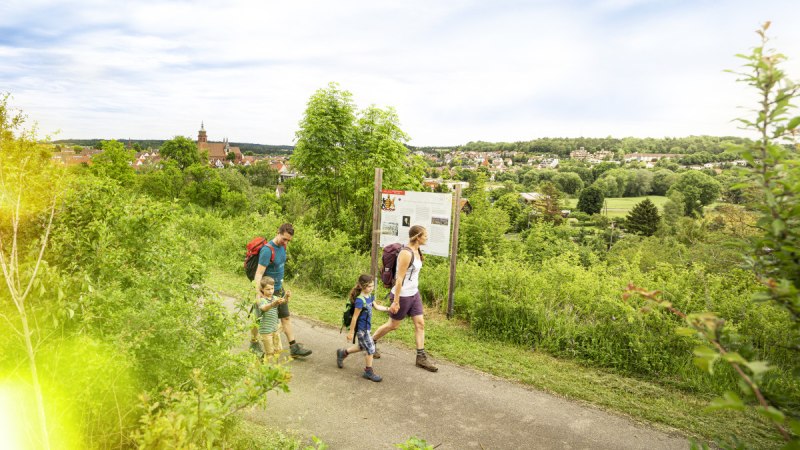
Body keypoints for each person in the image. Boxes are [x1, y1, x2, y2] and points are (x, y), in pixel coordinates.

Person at [371, 225, 438, 372]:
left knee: (420, 324)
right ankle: (371, 341)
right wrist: (395, 301)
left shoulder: (417, 250)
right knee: (393, 325)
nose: (427, 237)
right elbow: (399, 278)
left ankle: (421, 357)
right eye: (425, 235)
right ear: (417, 237)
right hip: (402, 295)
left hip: (414, 294)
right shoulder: (406, 253)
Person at [251, 223, 312, 357]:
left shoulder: (283, 246)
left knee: (285, 316)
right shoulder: (267, 250)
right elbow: (258, 274)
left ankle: (294, 347)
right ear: (278, 232)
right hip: (265, 290)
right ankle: (254, 342)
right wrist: (258, 294)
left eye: (288, 240)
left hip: (278, 289)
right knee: (259, 317)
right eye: (284, 239)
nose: (286, 242)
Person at [336, 274, 387, 381]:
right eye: (369, 286)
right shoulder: (360, 300)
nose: (371, 288)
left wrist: (389, 309)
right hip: (361, 330)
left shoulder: (370, 297)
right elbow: (354, 318)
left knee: (362, 346)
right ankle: (368, 371)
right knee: (371, 348)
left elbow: (377, 307)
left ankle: (343, 353)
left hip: (367, 328)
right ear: (362, 286)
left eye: (372, 286)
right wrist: (351, 332)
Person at [256, 276, 288, 360]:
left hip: (275, 329)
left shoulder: (275, 298)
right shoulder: (262, 300)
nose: (271, 291)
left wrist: (287, 297)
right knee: (270, 353)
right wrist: (273, 304)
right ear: (262, 289)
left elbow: (284, 302)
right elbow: (264, 308)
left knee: (278, 350)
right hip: (266, 331)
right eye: (268, 289)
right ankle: (267, 368)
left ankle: (265, 361)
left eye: (272, 288)